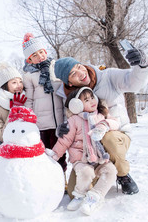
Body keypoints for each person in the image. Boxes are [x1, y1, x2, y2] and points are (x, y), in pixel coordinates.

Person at [54, 48, 148, 196]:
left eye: (79, 67)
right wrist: (61, 130)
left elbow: (133, 82)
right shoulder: (68, 97)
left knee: (108, 139)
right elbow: (68, 123)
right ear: (68, 82)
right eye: (73, 73)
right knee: (73, 192)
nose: (81, 73)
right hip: (88, 148)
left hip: (115, 135)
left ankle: (122, 174)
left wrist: (142, 65)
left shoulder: (108, 76)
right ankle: (100, 175)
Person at [46, 87, 119, 215]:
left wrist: (104, 125)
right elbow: (65, 140)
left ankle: (94, 197)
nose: (92, 101)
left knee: (111, 171)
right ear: (77, 105)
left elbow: (115, 122)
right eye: (86, 99)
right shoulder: (73, 120)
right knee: (86, 173)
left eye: (92, 97)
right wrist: (56, 154)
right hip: (81, 159)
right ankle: (79, 196)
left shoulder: (101, 115)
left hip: (100, 158)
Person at [21, 33, 67, 172]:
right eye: (35, 55)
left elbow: (64, 92)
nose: (40, 56)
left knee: (59, 153)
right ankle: (47, 180)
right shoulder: (29, 75)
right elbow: (29, 99)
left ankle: (61, 179)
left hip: (58, 120)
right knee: (44, 153)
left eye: (41, 52)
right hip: (41, 123)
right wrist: (30, 121)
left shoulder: (56, 67)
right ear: (29, 59)